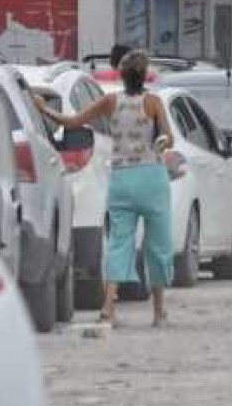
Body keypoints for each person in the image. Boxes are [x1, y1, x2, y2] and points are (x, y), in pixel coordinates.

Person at [33, 50, 177, 328]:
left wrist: (43, 108)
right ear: (144, 75)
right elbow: (167, 137)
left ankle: (109, 308)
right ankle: (159, 311)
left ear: (121, 75)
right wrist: (161, 142)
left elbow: (72, 122)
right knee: (157, 244)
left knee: (119, 242)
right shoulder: (154, 103)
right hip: (152, 180)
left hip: (122, 180)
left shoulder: (110, 102)